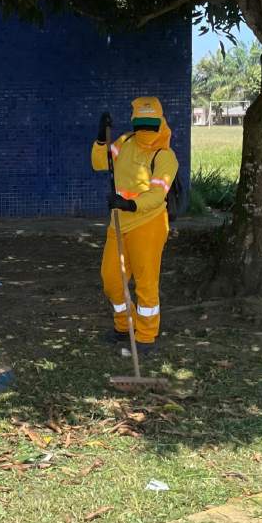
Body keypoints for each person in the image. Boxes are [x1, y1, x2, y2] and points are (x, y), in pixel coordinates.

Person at [91, 97, 179, 353]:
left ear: (160, 122)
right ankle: (124, 325)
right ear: (134, 123)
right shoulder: (125, 142)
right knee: (111, 280)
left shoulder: (165, 156)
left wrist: (129, 204)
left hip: (148, 224)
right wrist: (100, 140)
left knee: (146, 283)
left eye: (150, 125)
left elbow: (157, 195)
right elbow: (100, 163)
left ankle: (145, 336)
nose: (145, 130)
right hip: (118, 224)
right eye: (141, 124)